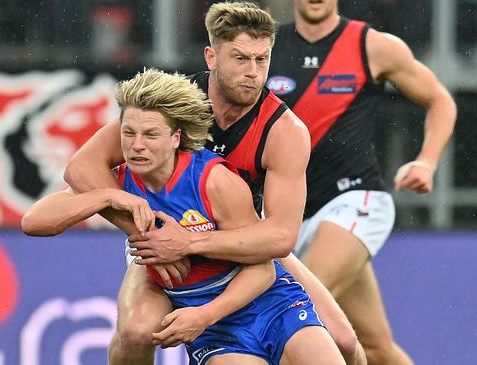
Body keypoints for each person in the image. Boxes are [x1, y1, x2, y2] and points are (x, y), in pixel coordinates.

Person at [63, 2, 366, 365]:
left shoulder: (284, 131)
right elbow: (81, 168)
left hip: (237, 239)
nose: (252, 72)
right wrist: (145, 230)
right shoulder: (173, 104)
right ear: (211, 56)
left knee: (345, 342)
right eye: (240, 59)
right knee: (136, 332)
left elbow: (281, 238)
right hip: (162, 240)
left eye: (261, 59)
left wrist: (187, 242)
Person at [22, 68, 345, 365]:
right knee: (136, 330)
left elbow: (262, 271)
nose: (137, 146)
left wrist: (203, 311)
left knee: (340, 348)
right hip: (217, 329)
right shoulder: (121, 182)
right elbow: (34, 222)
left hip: (264, 303)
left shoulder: (214, 181)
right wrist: (107, 197)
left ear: (176, 138)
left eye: (150, 135)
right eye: (128, 134)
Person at [265, 1, 458, 364]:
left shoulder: (371, 45)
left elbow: (440, 101)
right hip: (289, 214)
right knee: (375, 348)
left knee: (295, 311)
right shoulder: (265, 48)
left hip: (355, 199)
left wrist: (426, 162)